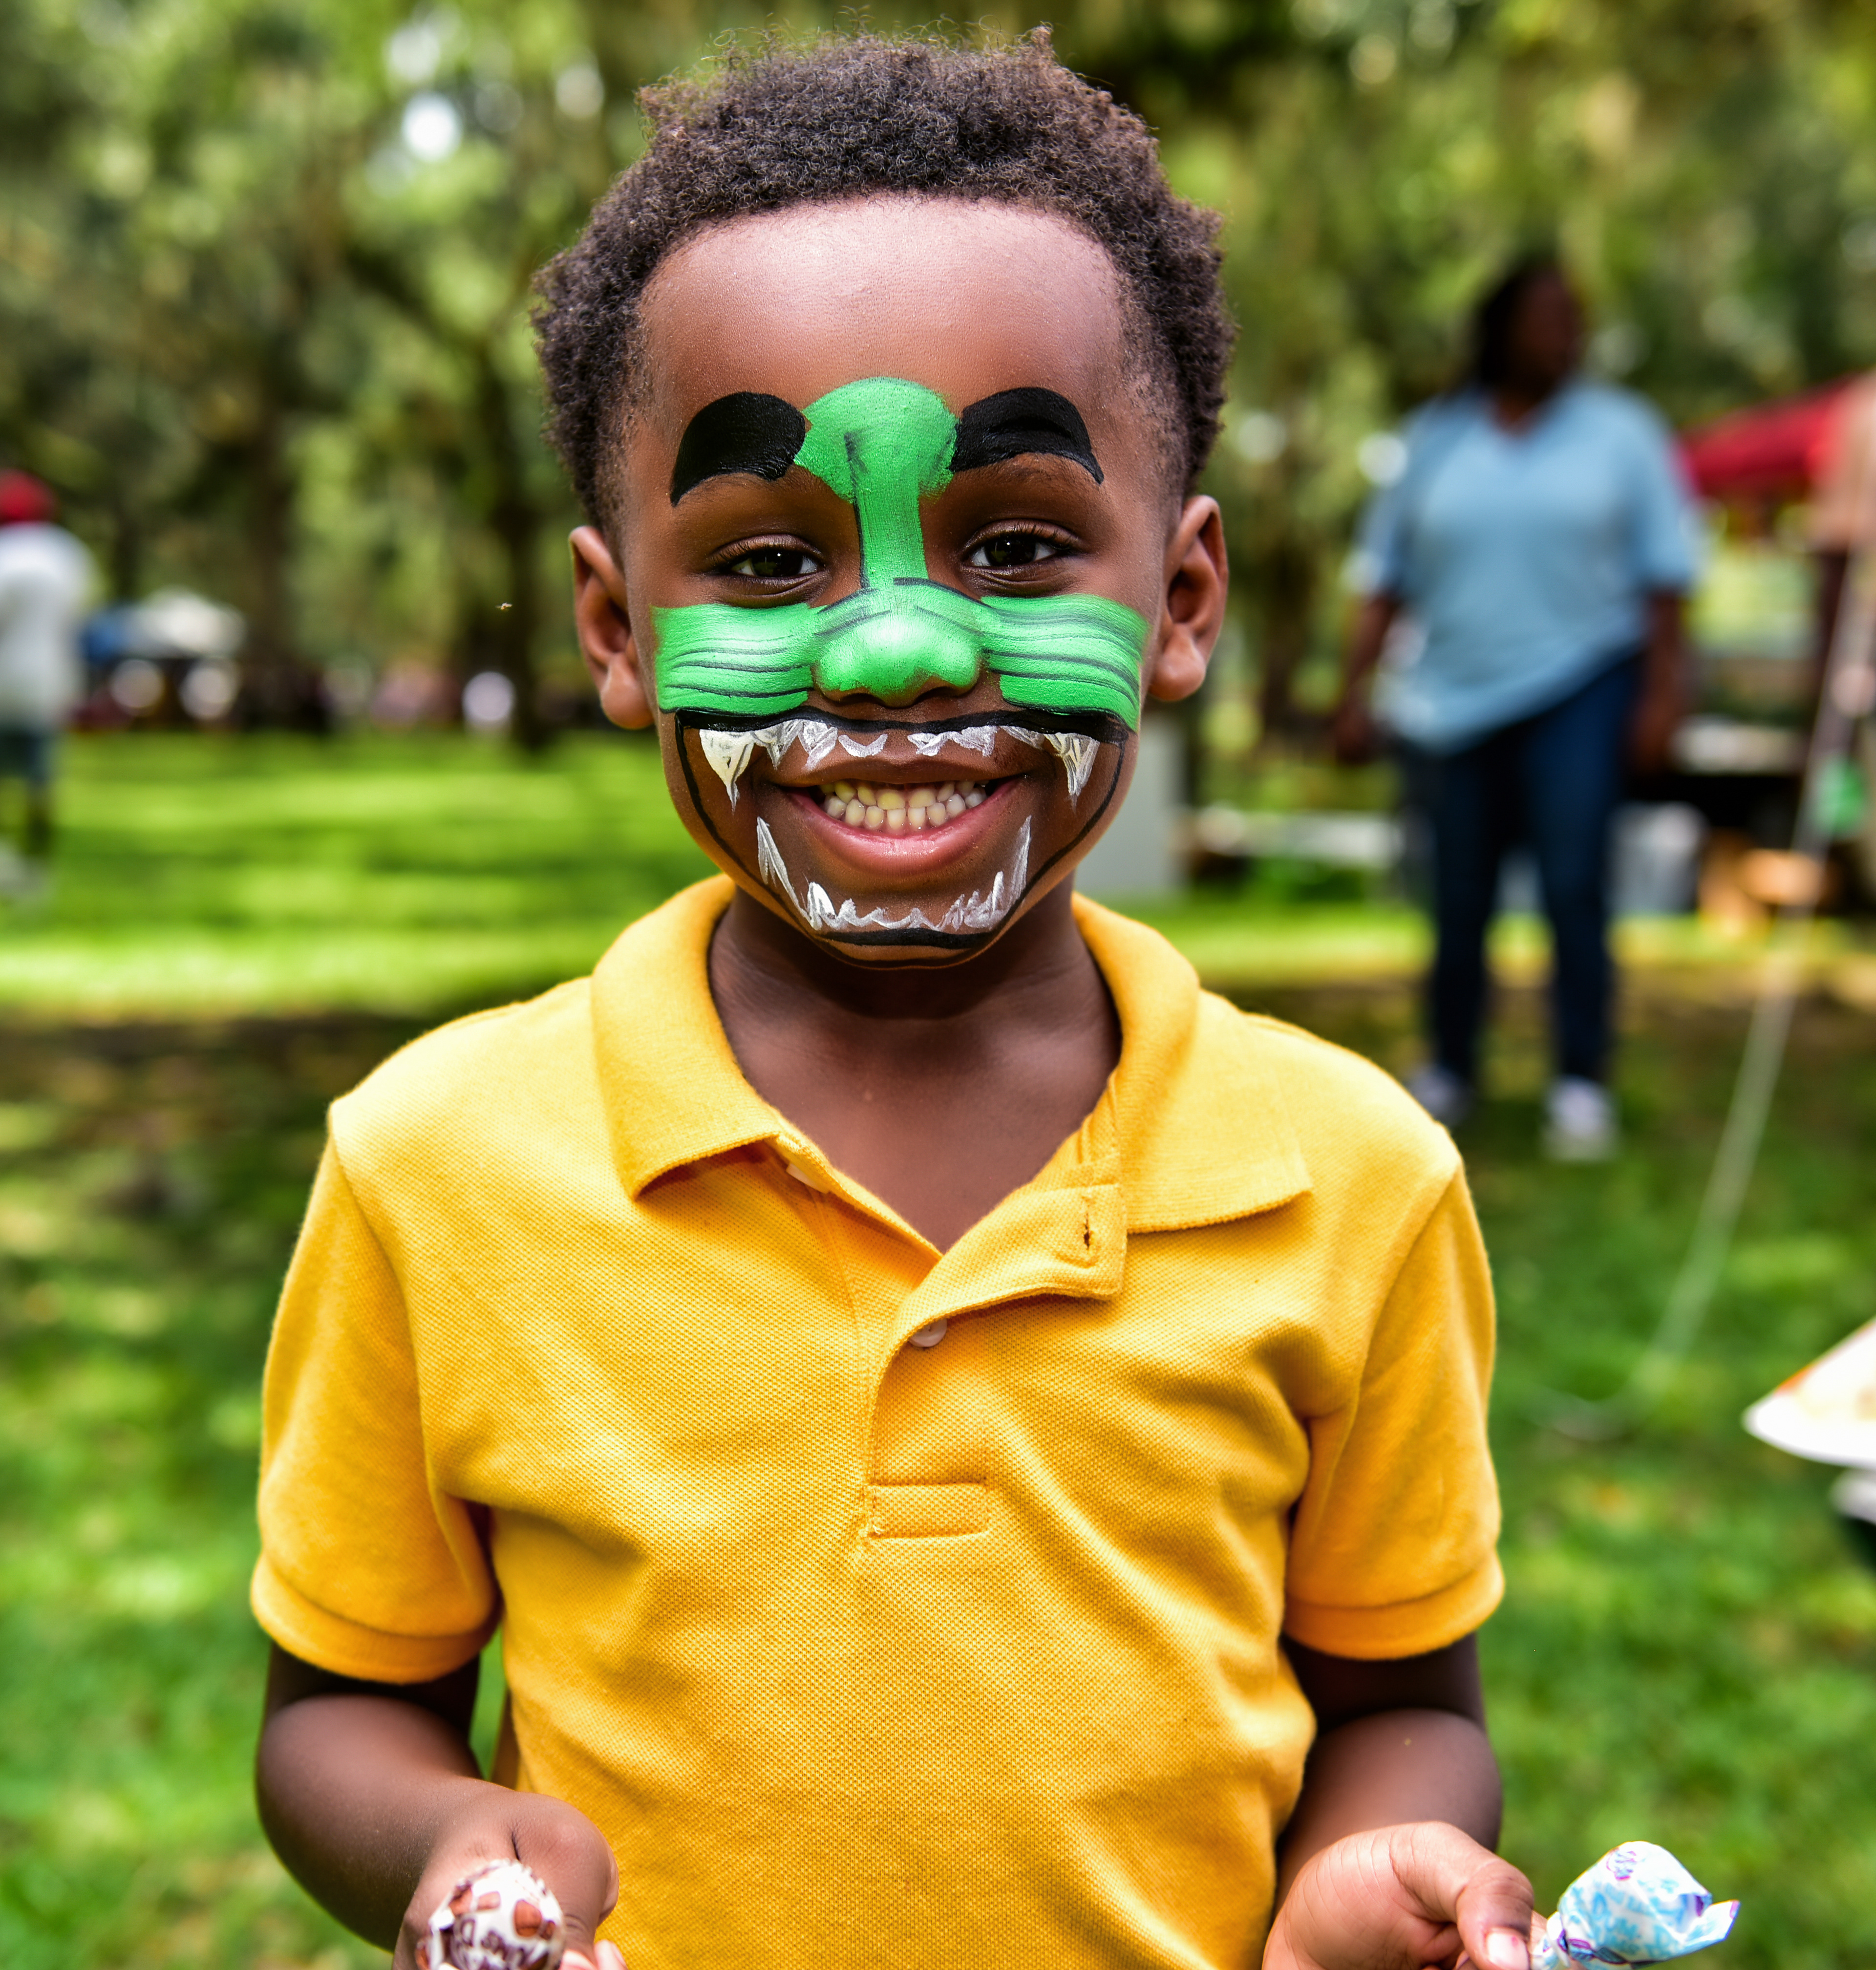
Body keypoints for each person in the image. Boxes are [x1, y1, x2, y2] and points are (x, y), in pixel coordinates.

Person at [252, 35, 1532, 1970]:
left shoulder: (1350, 1184)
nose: (904, 644)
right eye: (767, 563)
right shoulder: (438, 1170)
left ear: (1182, 603)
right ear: (619, 630)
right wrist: (451, 1848)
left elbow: (1411, 1703)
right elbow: (336, 1710)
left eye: (1016, 544)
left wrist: (1362, 1877)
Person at [1333, 257, 1696, 1159]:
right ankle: (1452, 1064)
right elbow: (1384, 582)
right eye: (1546, 316)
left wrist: (1662, 697)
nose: (1564, 332)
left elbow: (1667, 583)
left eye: (1575, 317)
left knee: (1575, 884)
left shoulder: (1623, 435)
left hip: (1582, 682)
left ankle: (1582, 1080)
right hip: (1452, 700)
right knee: (1458, 893)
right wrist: (1352, 692)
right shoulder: (1436, 441)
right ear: (1498, 329)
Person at [0, 469, 92, 895]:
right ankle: (36, 871)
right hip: (51, 681)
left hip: (5, 681)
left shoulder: (7, 554)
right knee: (40, 783)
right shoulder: (67, 555)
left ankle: (9, 866)